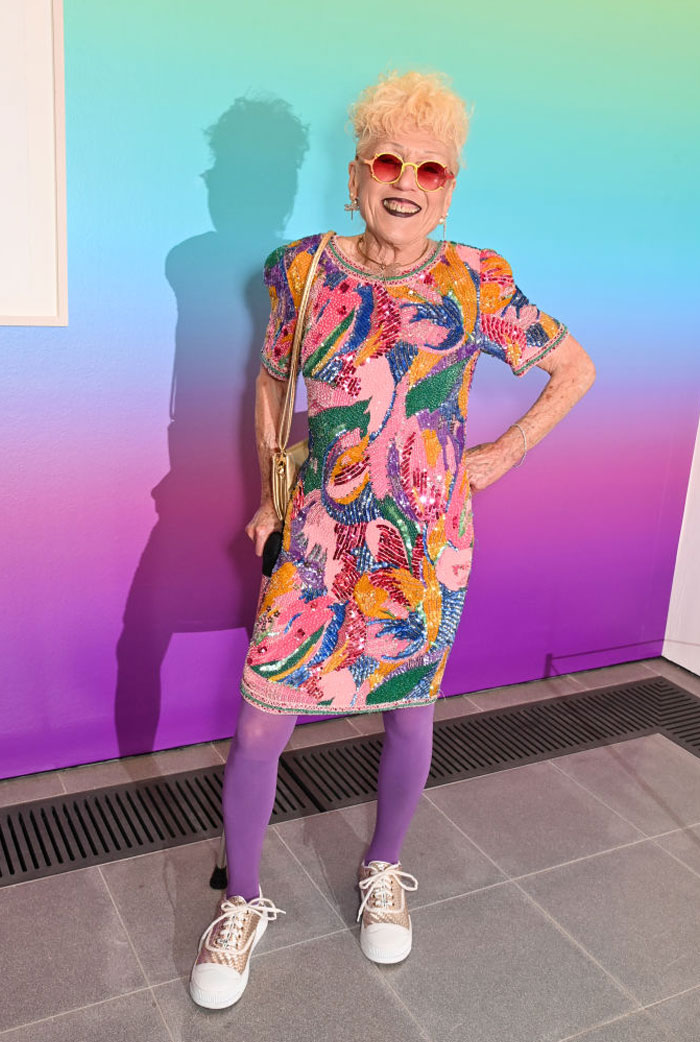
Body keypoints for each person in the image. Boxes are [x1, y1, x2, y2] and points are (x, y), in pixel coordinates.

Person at [189, 69, 596, 1010]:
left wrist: (496, 458)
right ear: (355, 174)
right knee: (260, 721)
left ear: (450, 186)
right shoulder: (300, 267)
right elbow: (272, 379)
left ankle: (382, 869)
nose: (406, 179)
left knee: (411, 713)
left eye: (432, 167)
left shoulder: (476, 280)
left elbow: (574, 368)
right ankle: (241, 899)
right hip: (320, 536)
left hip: (423, 544)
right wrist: (272, 490)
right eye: (387, 159)